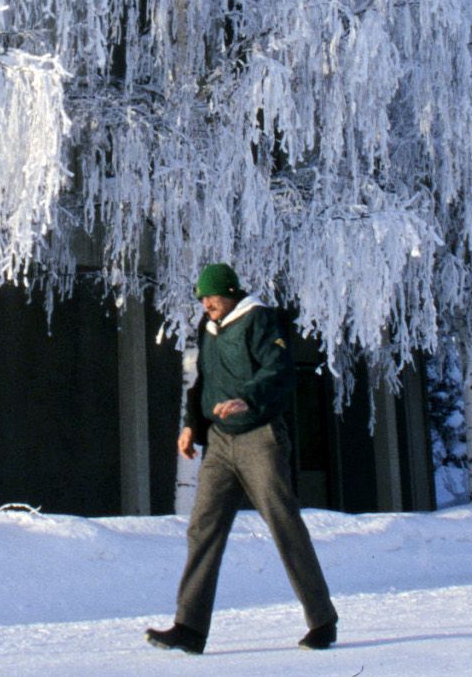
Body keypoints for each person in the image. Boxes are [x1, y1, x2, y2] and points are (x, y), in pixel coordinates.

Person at [145, 262, 339, 655]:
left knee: (283, 523)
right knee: (203, 528)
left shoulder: (260, 321)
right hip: (219, 443)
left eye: (210, 297)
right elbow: (201, 383)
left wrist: (247, 398)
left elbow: (279, 371)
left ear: (230, 292)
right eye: (201, 298)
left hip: (259, 438)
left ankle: (322, 621)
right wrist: (190, 427)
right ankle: (189, 628)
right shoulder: (209, 329)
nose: (205, 304)